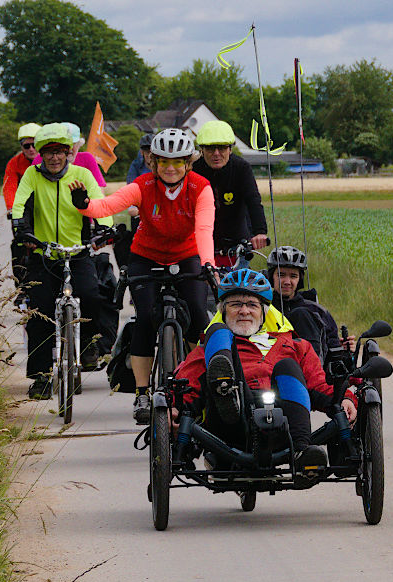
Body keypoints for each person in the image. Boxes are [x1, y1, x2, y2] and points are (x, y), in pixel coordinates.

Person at [67, 127, 215, 424]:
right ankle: (142, 392)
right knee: (146, 319)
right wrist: (85, 205)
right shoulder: (143, 185)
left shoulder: (201, 187)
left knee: (200, 315)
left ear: (189, 162)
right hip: (145, 256)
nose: (170, 168)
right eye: (163, 162)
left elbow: (204, 228)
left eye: (177, 162)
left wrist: (208, 263)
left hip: (187, 255)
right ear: (153, 163)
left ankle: (201, 386)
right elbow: (109, 204)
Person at [174, 269, 357, 471]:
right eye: (235, 304)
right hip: (228, 428)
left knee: (287, 365)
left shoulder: (295, 345)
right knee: (217, 333)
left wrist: (345, 399)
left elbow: (319, 384)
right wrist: (173, 407)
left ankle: (302, 451)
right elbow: (185, 383)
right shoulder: (209, 348)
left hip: (282, 425)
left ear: (264, 311)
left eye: (252, 305)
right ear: (223, 311)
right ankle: (226, 389)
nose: (244, 311)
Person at [11, 123, 113, 400]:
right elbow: (19, 202)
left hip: (77, 252)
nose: (55, 158)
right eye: (48, 153)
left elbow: (101, 205)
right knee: (40, 312)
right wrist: (21, 227)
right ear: (41, 155)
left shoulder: (82, 174)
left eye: (60, 152)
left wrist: (105, 227)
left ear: (69, 153)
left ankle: (89, 348)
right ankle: (41, 377)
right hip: (44, 254)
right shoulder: (32, 175)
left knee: (92, 297)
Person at [192, 120, 268, 267]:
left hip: (237, 241)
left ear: (230, 149)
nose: (216, 154)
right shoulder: (194, 171)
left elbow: (253, 200)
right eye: (210, 149)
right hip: (202, 243)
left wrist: (260, 232)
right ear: (201, 150)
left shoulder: (241, 168)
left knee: (237, 287)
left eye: (222, 148)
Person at [267, 246, 352, 361]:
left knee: (300, 314)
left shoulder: (317, 310)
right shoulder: (262, 308)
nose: (287, 282)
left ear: (299, 280)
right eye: (281, 275)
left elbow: (333, 347)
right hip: (270, 368)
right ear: (272, 277)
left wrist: (343, 348)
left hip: (311, 372)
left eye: (293, 276)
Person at [2, 123, 41, 285]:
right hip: (23, 210)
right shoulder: (15, 163)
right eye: (27, 146)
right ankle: (21, 285)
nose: (31, 149)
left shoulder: (49, 161)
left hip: (45, 209)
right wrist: (11, 208)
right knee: (19, 244)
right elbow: (9, 186)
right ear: (21, 147)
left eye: (35, 145)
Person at [114, 133, 153, 268]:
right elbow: (131, 186)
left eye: (152, 150)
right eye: (146, 151)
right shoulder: (136, 165)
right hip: (139, 209)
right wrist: (133, 206)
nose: (150, 154)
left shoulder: (165, 165)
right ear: (142, 152)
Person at [60, 122, 107, 188]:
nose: (70, 148)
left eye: (73, 143)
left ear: (79, 145)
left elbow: (100, 191)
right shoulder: (42, 159)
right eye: (65, 144)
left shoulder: (87, 158)